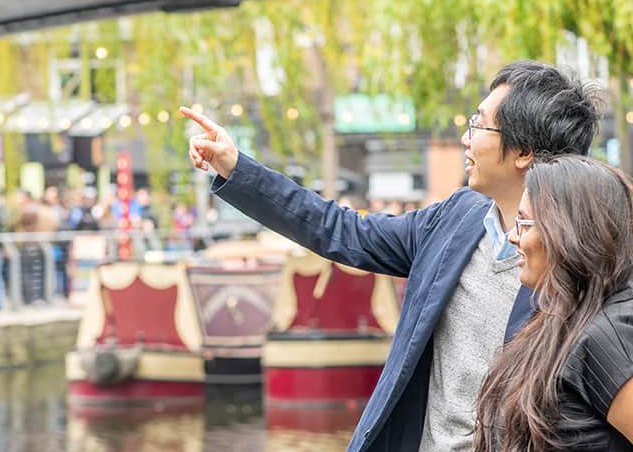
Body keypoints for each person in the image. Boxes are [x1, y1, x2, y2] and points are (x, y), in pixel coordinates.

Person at [181, 60, 601, 452]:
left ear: (524, 152)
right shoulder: (456, 219)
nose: (465, 138)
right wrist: (238, 169)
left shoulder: (587, 265)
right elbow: (340, 229)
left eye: (479, 125)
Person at [474, 156, 633, 450]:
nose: (513, 237)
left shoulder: (607, 337)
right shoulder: (559, 317)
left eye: (525, 223)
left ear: (569, 231)